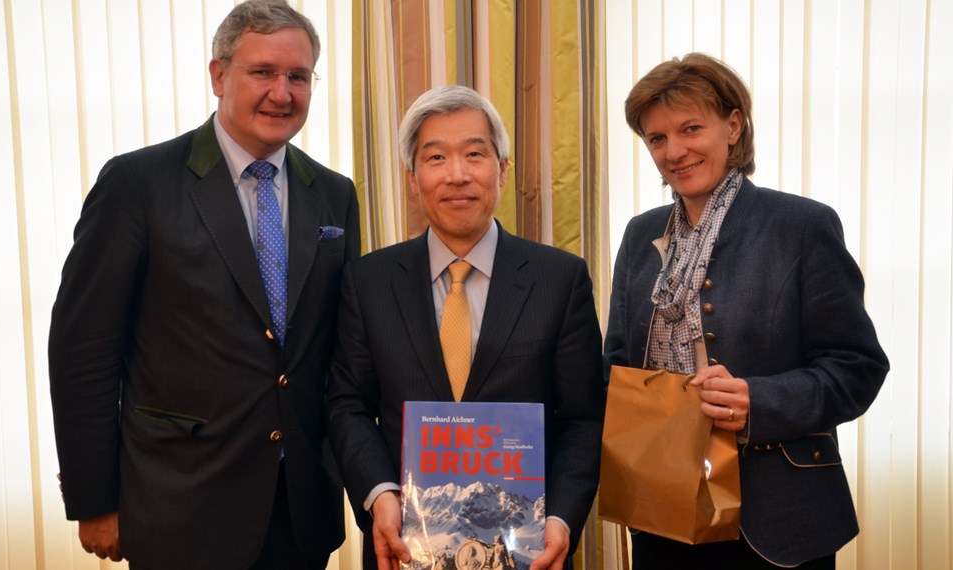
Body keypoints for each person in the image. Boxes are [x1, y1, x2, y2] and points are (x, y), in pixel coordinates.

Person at [47, 1, 359, 568]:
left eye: (298, 76)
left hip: (301, 512)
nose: (281, 93)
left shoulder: (335, 194)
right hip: (179, 508)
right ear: (218, 75)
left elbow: (338, 351)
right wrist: (94, 499)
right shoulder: (137, 184)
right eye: (262, 72)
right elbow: (83, 352)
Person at [602, 52, 889, 569]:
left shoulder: (801, 227)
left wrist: (758, 401)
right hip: (661, 513)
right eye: (657, 138)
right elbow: (617, 363)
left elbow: (858, 369)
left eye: (691, 128)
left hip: (777, 524)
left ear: (733, 126)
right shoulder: (639, 234)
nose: (675, 151)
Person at [327, 85, 605, 570]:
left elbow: (583, 417)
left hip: (527, 549)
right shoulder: (367, 281)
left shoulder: (560, 279)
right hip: (404, 545)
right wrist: (379, 496)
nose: (457, 175)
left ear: (502, 168)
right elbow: (348, 405)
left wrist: (561, 517)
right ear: (413, 179)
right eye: (436, 157)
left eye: (474, 154)